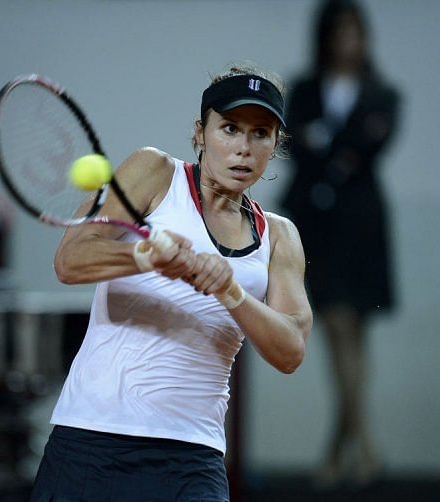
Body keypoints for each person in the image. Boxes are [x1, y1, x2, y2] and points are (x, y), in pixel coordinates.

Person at [30, 64, 313, 502]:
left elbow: (291, 349)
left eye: (260, 134)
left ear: (275, 145)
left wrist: (231, 291)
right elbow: (70, 260)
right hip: (91, 441)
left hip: (191, 461)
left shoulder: (279, 236)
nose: (242, 148)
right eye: (230, 129)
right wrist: (144, 255)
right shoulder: (154, 172)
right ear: (201, 133)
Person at [281, 0, 400, 487]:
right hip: (316, 225)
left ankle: (338, 452)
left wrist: (325, 144)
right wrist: (334, 148)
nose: (348, 42)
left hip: (362, 226)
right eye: (339, 32)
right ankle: (364, 446)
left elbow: (366, 149)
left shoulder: (383, 93)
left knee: (354, 337)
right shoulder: (304, 89)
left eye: (355, 32)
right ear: (326, 37)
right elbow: (291, 143)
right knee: (335, 328)